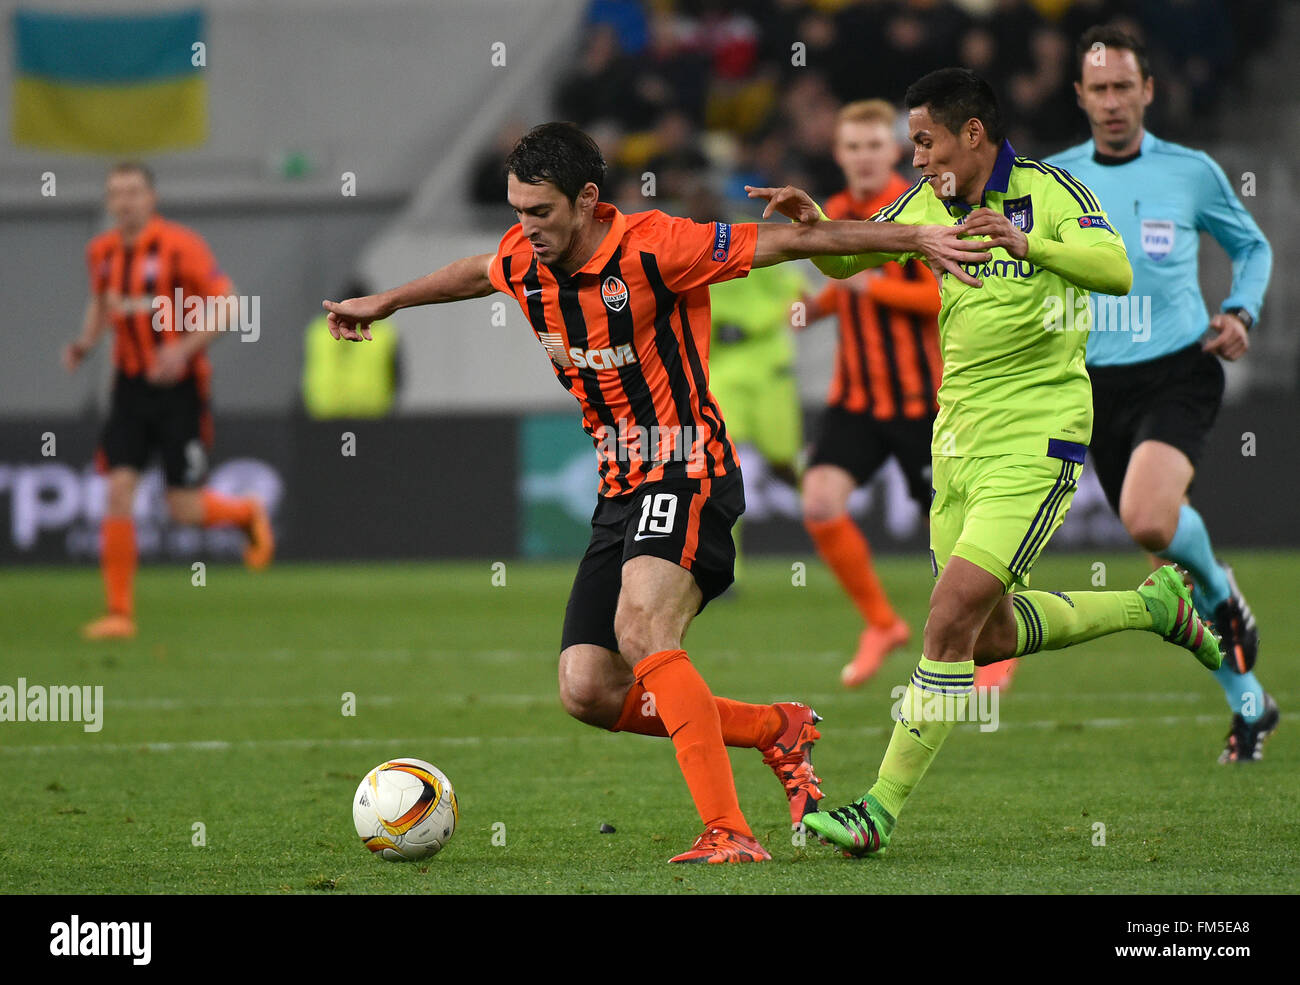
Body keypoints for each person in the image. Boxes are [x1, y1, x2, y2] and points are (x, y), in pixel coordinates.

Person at [323, 122, 991, 864]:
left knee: (644, 633)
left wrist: (917, 238)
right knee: (587, 687)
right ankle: (777, 727)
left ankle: (729, 830)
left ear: (585, 199)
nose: (526, 229)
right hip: (620, 488)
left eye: (540, 212)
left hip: (688, 468)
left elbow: (786, 244)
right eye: (516, 211)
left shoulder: (655, 245)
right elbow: (477, 271)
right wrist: (384, 301)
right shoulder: (523, 257)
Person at [749, 69, 1223, 858]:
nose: (918, 156)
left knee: (946, 620)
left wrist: (1027, 241)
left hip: (1038, 440)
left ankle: (877, 809)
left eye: (926, 140)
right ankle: (1155, 607)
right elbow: (846, 264)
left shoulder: (1051, 191)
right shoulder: (930, 200)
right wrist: (818, 224)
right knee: (986, 638)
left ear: (974, 134)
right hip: (956, 440)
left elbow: (1117, 271)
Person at [1047, 25, 1276, 762]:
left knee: (1150, 520)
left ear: (1148, 90)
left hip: (1179, 367)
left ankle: (1224, 587)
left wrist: (1241, 308)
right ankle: (1251, 701)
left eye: (1124, 87)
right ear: (1079, 96)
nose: (1112, 102)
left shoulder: (1192, 171)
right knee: (1164, 568)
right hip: (1092, 385)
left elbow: (1252, 246)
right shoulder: (1053, 181)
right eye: (1098, 89)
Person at [63, 162, 273, 640]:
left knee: (184, 508)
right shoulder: (101, 251)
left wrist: (182, 348)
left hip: (181, 390)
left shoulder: (180, 246)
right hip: (130, 390)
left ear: (151, 197)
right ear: (109, 201)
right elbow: (102, 302)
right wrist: (84, 342)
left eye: (134, 191)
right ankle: (119, 613)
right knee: (118, 489)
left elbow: (228, 302)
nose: (125, 201)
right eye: (116, 193)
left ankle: (246, 513)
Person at [800, 99, 943, 687]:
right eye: (851, 147)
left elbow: (942, 298)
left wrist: (869, 287)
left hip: (924, 402)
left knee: (958, 535)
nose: (862, 158)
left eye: (872, 146)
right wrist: (815, 308)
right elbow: (847, 292)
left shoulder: (920, 208)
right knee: (818, 500)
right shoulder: (832, 212)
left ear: (894, 151)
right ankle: (882, 623)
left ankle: (998, 645)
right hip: (856, 400)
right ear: (838, 154)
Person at [302, 280, 401, 418]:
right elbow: (397, 375)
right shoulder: (384, 333)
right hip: (372, 410)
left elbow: (307, 368)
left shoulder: (318, 330)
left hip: (326, 409)